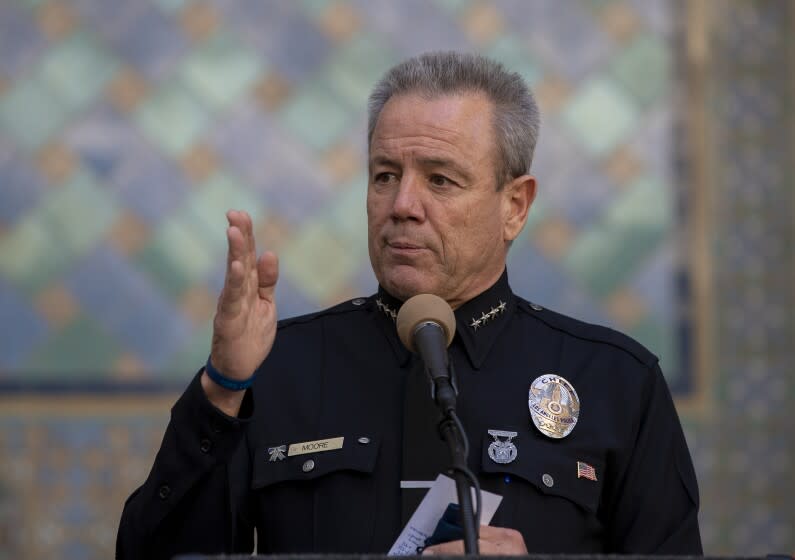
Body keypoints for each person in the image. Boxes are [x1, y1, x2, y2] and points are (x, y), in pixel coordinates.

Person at [117, 51, 702, 558]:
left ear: (515, 206)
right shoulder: (275, 367)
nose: (402, 205)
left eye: (440, 180)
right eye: (384, 176)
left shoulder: (616, 384)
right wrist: (220, 392)